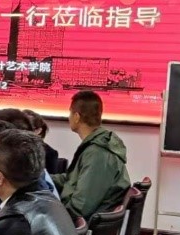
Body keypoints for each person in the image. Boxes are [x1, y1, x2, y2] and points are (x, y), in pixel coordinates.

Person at [52, 91, 131, 220]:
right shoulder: (96, 146)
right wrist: (44, 178)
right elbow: (73, 179)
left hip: (83, 225)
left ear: (76, 117)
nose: (69, 118)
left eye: (70, 113)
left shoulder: (98, 153)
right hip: (87, 220)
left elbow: (80, 207)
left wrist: (55, 217)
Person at [22, 109, 60, 175]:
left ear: (38, 131)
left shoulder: (49, 153)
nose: (22, 132)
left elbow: (49, 179)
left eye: (27, 129)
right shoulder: (8, 147)